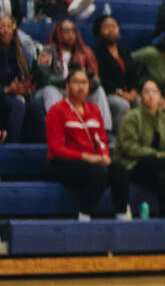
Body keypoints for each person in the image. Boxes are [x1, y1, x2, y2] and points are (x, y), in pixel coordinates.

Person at [45, 67, 131, 220]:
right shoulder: (57, 110)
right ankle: (84, 215)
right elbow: (56, 148)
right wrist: (84, 156)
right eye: (76, 82)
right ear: (67, 86)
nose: (81, 86)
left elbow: (102, 140)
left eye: (84, 82)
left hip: (90, 161)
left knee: (119, 169)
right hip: (62, 162)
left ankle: (122, 215)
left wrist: (104, 155)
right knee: (99, 171)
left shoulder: (94, 110)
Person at [117, 80, 165, 218]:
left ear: (160, 96)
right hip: (134, 165)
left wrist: (161, 155)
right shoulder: (132, 117)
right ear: (141, 96)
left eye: (154, 92)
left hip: (158, 168)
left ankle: (163, 220)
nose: (150, 95)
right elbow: (128, 147)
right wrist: (156, 154)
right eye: (146, 91)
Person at [33, 19, 112, 131]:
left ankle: (104, 130)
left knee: (98, 91)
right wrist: (67, 81)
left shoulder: (85, 52)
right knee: (50, 91)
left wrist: (90, 81)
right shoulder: (47, 51)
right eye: (66, 31)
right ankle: (62, 129)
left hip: (76, 91)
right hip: (55, 90)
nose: (70, 34)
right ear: (58, 33)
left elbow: (96, 77)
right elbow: (44, 78)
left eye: (73, 31)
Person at [0, 14, 38, 143]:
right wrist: (6, 89)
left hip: (12, 95)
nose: (5, 30)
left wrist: (24, 88)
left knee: (35, 105)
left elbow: (19, 77)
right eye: (2, 26)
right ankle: (13, 145)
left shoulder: (18, 53)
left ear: (14, 31)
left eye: (9, 27)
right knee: (17, 105)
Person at [93, 14, 140, 132]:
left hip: (127, 93)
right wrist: (120, 93)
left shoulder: (124, 52)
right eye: (106, 27)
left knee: (140, 101)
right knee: (122, 104)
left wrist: (134, 91)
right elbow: (101, 78)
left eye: (114, 26)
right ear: (99, 32)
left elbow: (134, 75)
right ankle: (119, 139)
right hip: (107, 94)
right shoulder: (95, 52)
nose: (111, 30)